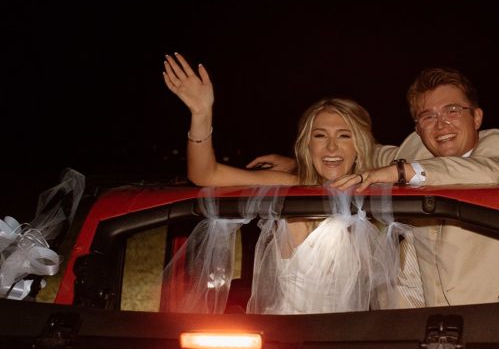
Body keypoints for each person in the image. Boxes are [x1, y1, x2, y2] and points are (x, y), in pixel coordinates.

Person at [248, 67, 499, 305]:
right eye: (428, 116)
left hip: (494, 318)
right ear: (418, 127)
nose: (441, 124)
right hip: (416, 325)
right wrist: (295, 163)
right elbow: (355, 153)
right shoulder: (412, 150)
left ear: (477, 117)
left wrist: (400, 172)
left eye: (453, 110)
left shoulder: (496, 145)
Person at [162, 52, 395, 315]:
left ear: (359, 145)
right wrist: (201, 113)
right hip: (288, 341)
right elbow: (205, 175)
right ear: (308, 144)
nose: (331, 146)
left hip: (345, 344)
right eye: (320, 136)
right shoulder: (289, 186)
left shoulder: (377, 197)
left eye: (344, 136)